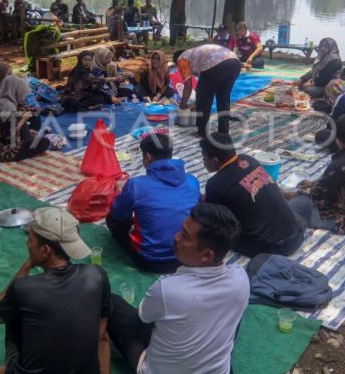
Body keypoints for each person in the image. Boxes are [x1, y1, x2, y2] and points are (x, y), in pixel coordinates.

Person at [107, 202, 250, 374]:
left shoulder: (168, 289)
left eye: (185, 236)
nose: (176, 237)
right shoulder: (241, 279)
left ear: (207, 255)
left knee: (112, 302)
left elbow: (143, 318)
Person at [0, 207, 110, 374]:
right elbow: (101, 335)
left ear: (45, 250)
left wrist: (28, 264)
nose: (27, 244)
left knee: (11, 315)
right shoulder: (97, 274)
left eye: (30, 239)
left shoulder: (24, 288)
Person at [201, 132, 306, 257]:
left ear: (215, 160)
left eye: (204, 158)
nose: (203, 162)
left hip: (274, 247)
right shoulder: (248, 159)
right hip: (297, 232)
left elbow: (217, 221)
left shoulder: (215, 184)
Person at [107, 133, 201, 273]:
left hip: (151, 260)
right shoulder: (192, 181)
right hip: (186, 255)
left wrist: (119, 192)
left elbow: (117, 213)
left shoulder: (136, 185)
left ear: (148, 157)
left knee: (113, 218)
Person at [286, 115, 345, 235]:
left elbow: (313, 197)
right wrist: (313, 183)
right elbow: (339, 180)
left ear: (334, 136)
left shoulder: (340, 165)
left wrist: (285, 194)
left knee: (293, 207)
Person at [173, 44, 241, 137]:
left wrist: (183, 105)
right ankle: (223, 131)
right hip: (235, 62)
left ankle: (201, 132)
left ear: (176, 62)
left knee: (203, 99)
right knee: (223, 98)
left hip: (216, 63)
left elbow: (188, 85)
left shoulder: (182, 59)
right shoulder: (195, 54)